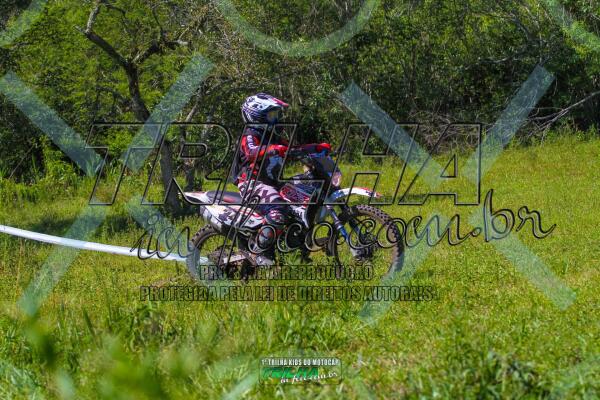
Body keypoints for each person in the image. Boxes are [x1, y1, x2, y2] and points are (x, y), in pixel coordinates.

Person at [233, 93, 292, 265]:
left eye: (276, 114)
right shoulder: (249, 134)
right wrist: (273, 149)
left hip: (272, 183)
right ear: (256, 116)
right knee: (277, 210)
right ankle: (260, 252)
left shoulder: (272, 135)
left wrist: (315, 148)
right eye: (272, 115)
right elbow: (251, 151)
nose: (276, 119)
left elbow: (292, 148)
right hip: (252, 183)